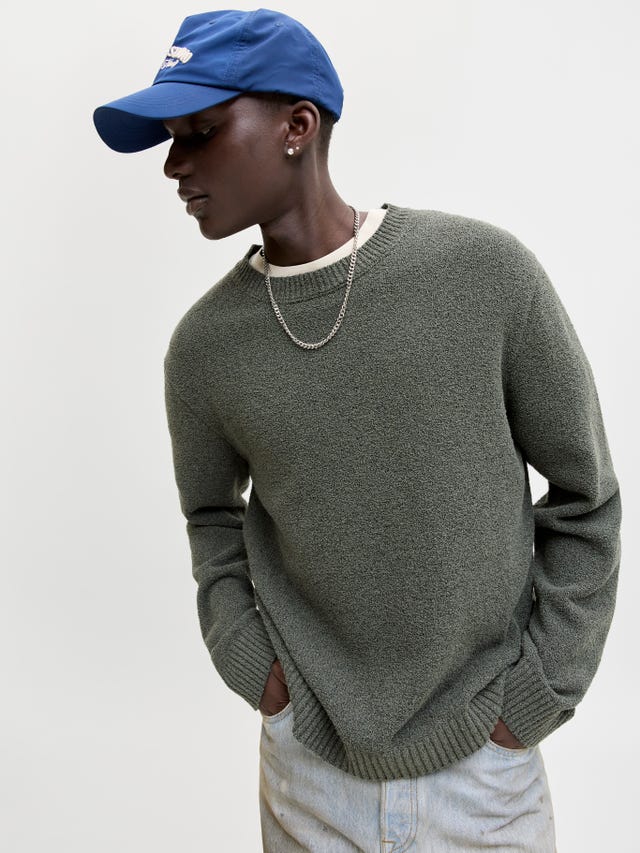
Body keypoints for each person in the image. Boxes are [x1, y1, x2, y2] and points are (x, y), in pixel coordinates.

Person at [93, 9, 622, 851]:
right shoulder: (205, 348)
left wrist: (535, 697)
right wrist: (254, 667)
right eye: (170, 140)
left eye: (200, 131)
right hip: (309, 771)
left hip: (485, 775)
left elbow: (585, 495)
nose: (173, 164)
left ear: (297, 126)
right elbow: (211, 518)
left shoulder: (484, 275)